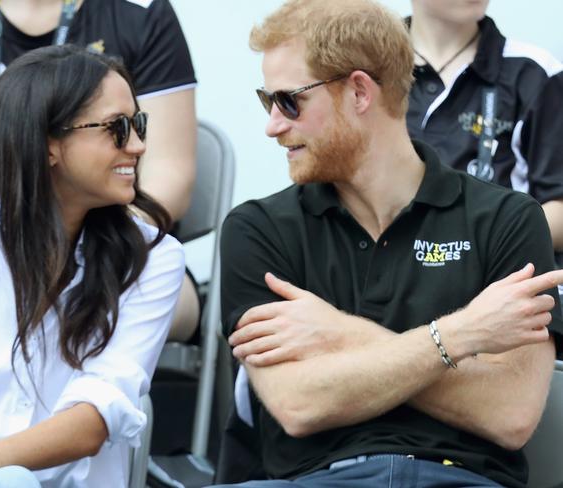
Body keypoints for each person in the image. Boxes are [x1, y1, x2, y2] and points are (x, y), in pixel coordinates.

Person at [218, 1, 563, 487]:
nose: (273, 125)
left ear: (359, 91)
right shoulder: (257, 230)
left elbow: (509, 414)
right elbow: (298, 404)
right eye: (266, 101)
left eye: (289, 101)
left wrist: (340, 332)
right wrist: (461, 335)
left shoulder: (508, 221)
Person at [0, 44, 184, 487]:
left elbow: (96, 415)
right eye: (117, 128)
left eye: (138, 124)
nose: (138, 145)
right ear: (48, 144)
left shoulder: (153, 259)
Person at [0, 0, 198, 341]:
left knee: (129, 299)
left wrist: (86, 246)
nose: (136, 144)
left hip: (117, 240)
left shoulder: (141, 11)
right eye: (117, 128)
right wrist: (0, 253)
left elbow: (171, 177)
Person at [407, 0, 563, 251]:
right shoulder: (365, 68)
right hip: (388, 275)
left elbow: (559, 204)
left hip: (499, 272)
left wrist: (477, 244)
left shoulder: (536, 72)